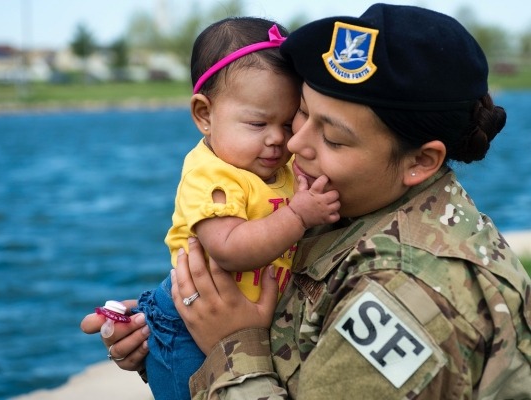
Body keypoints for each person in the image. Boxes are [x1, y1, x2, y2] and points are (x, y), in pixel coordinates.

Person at [82, 4, 531, 399]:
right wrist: (173, 324)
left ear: (420, 161)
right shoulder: (352, 201)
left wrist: (230, 346)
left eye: (333, 137)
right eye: (302, 113)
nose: (294, 142)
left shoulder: (411, 299)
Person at [100, 16, 340, 400]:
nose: (278, 139)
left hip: (239, 316)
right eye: (258, 123)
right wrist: (298, 214)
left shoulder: (282, 165)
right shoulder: (212, 173)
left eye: (289, 123)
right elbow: (228, 249)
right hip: (188, 322)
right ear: (204, 115)